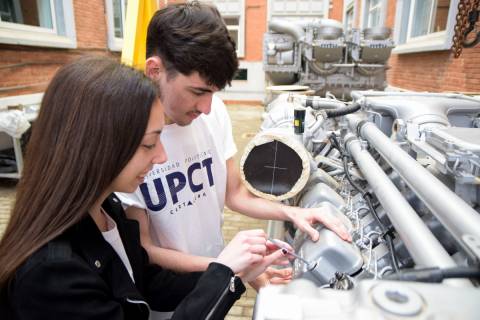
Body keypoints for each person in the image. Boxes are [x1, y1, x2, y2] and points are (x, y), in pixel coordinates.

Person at [0, 56, 286, 319]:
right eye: (149, 143)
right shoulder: (52, 275)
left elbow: (145, 282)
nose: (161, 156)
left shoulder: (106, 209)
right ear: (95, 147)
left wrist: (232, 273)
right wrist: (222, 271)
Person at [117, 1, 351, 290]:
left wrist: (291, 212)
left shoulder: (214, 112)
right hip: (168, 300)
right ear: (155, 71)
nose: (206, 108)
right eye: (198, 91)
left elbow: (234, 193)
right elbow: (145, 249)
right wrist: (229, 266)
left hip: (218, 283)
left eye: (213, 93)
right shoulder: (127, 139)